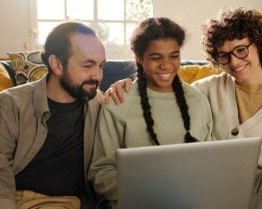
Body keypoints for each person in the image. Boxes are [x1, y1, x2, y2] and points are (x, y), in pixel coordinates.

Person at [105, 8, 262, 209]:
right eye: (224, 56)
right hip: (213, 191)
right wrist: (127, 84)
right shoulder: (206, 89)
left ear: (258, 45)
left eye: (241, 50)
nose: (234, 62)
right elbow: (165, 82)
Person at [0, 22, 106, 209]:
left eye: (101, 66)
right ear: (57, 64)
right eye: (88, 65)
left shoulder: (99, 103)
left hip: (62, 203)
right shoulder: (7, 104)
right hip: (5, 196)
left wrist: (125, 85)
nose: (98, 76)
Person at [88, 17, 213, 209]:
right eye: (156, 57)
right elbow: (101, 172)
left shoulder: (198, 101)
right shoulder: (118, 102)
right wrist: (148, 194)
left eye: (174, 56)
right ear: (139, 57)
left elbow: (209, 163)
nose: (166, 65)